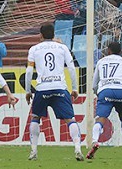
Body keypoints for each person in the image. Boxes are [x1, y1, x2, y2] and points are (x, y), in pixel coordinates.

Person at [25, 23, 84, 161]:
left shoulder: (34, 49)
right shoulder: (62, 48)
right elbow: (71, 67)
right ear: (54, 35)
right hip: (59, 87)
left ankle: (33, 152)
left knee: (35, 117)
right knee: (70, 119)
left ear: (40, 35)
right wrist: (74, 88)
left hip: (42, 88)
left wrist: (28, 91)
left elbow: (29, 71)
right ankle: (77, 149)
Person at [86, 41, 122, 159]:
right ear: (121, 52)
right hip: (121, 91)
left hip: (105, 90)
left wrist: (100, 94)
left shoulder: (101, 62)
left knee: (100, 120)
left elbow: (93, 85)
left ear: (108, 51)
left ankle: (94, 142)